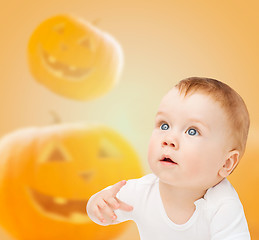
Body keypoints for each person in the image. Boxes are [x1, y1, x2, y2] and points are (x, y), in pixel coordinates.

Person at [86, 77, 251, 240]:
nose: (169, 138)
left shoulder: (222, 206)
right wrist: (97, 206)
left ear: (226, 163)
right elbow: (101, 207)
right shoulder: (142, 191)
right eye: (164, 125)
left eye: (192, 131)